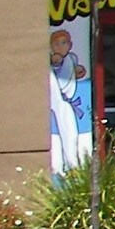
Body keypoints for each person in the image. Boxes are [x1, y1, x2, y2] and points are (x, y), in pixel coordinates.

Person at [48, 28, 91, 171]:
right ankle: (64, 168)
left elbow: (74, 71)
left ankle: (72, 166)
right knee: (63, 134)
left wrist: (79, 71)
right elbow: (57, 64)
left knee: (71, 136)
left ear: (70, 45)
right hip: (59, 101)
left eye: (64, 43)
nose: (61, 47)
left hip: (67, 103)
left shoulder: (71, 57)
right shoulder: (55, 59)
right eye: (57, 44)